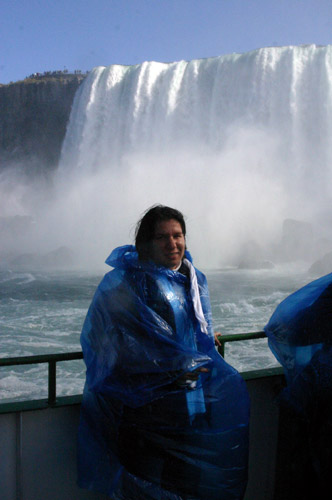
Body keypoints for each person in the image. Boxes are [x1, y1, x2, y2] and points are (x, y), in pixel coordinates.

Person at [78, 205, 250, 500]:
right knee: (144, 485)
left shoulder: (192, 279)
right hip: (145, 411)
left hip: (190, 403)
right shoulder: (129, 283)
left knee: (185, 482)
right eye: (163, 237)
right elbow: (108, 343)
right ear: (147, 243)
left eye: (178, 235)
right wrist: (175, 364)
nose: (173, 244)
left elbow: (187, 328)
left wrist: (203, 340)